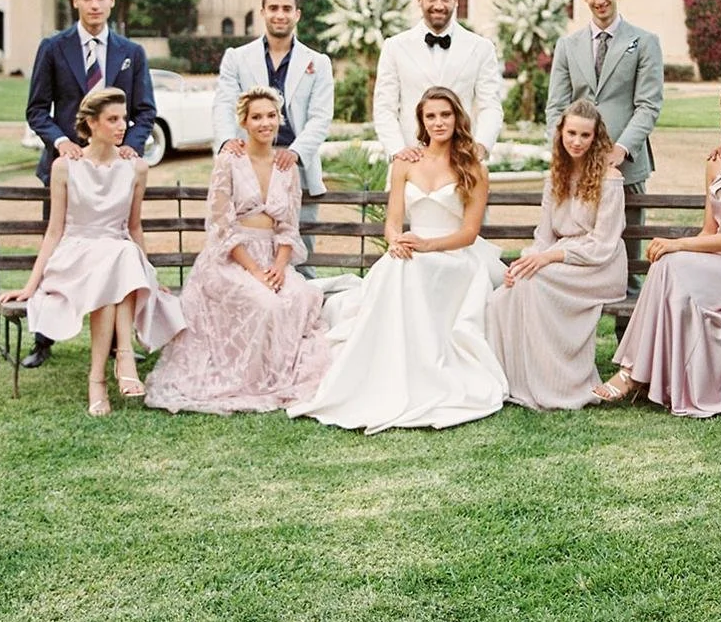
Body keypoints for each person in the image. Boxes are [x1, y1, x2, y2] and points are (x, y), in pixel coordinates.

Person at [289, 87, 507, 434]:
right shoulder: (406, 162)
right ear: (421, 121)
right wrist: (395, 242)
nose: (439, 122)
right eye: (431, 116)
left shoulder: (473, 166)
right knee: (398, 268)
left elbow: (468, 232)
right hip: (412, 251)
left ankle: (429, 372)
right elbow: (393, 221)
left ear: (457, 118)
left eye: (445, 115)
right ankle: (389, 368)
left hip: (455, 256)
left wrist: (428, 245)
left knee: (415, 269)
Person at [594, 81, 721, 418]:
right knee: (667, 265)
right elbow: (710, 230)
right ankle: (640, 374)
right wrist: (679, 250)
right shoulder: (716, 162)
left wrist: (679, 244)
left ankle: (632, 373)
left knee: (672, 261)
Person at [0, 87, 184, 417]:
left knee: (120, 255)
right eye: (113, 119)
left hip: (117, 257)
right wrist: (31, 285)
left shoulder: (136, 168)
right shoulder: (65, 167)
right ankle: (121, 359)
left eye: (124, 118)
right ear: (92, 123)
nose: (122, 125)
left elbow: (134, 227)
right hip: (76, 256)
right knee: (116, 258)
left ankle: (98, 378)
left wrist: (150, 275)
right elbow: (55, 230)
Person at [144, 87, 330, 416]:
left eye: (271, 116)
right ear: (243, 121)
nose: (265, 123)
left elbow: (288, 226)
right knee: (265, 302)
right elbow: (221, 225)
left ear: (279, 120)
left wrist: (278, 267)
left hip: (272, 257)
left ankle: (280, 376)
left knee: (298, 297)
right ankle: (250, 380)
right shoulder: (230, 159)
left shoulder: (286, 165)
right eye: (257, 117)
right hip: (230, 259)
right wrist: (255, 272)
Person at [22, 0, 158, 370]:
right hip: (67, 171)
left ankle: (119, 347)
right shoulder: (53, 47)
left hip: (114, 177)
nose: (95, 4)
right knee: (62, 245)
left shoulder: (131, 53)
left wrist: (130, 148)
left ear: (111, 0)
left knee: (116, 252)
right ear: (76, 1)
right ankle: (44, 339)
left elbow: (145, 111)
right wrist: (61, 142)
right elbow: (36, 110)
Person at [486, 98, 627, 408]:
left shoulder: (610, 179)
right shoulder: (556, 176)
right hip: (561, 257)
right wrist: (526, 260)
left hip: (599, 265)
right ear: (561, 132)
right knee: (505, 294)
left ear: (596, 138)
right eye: (571, 133)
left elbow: (603, 243)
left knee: (536, 282)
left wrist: (547, 258)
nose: (577, 142)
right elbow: (544, 236)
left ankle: (559, 382)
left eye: (585, 136)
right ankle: (516, 379)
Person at [545, 0, 664, 320]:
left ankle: (628, 347)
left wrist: (620, 149)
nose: (600, 0)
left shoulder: (644, 42)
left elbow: (648, 104)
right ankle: (573, 333)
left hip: (625, 169)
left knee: (627, 261)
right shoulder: (568, 46)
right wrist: (566, 153)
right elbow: (556, 107)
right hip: (576, 169)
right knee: (577, 248)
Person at [212, 0, 334, 269]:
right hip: (248, 165)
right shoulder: (237, 57)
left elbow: (321, 116)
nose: (280, 15)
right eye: (274, 8)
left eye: (287, 9)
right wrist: (228, 140)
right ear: (263, 12)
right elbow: (224, 104)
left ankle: (303, 305)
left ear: (297, 15)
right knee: (247, 251)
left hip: (297, 166)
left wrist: (294, 152)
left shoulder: (318, 62)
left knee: (298, 254)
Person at [373, 0, 503, 164]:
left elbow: (490, 105)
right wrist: (397, 149)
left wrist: (482, 145)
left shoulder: (481, 47)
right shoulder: (395, 47)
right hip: (411, 159)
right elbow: (384, 106)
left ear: (456, 0)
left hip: (462, 160)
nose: (439, 5)